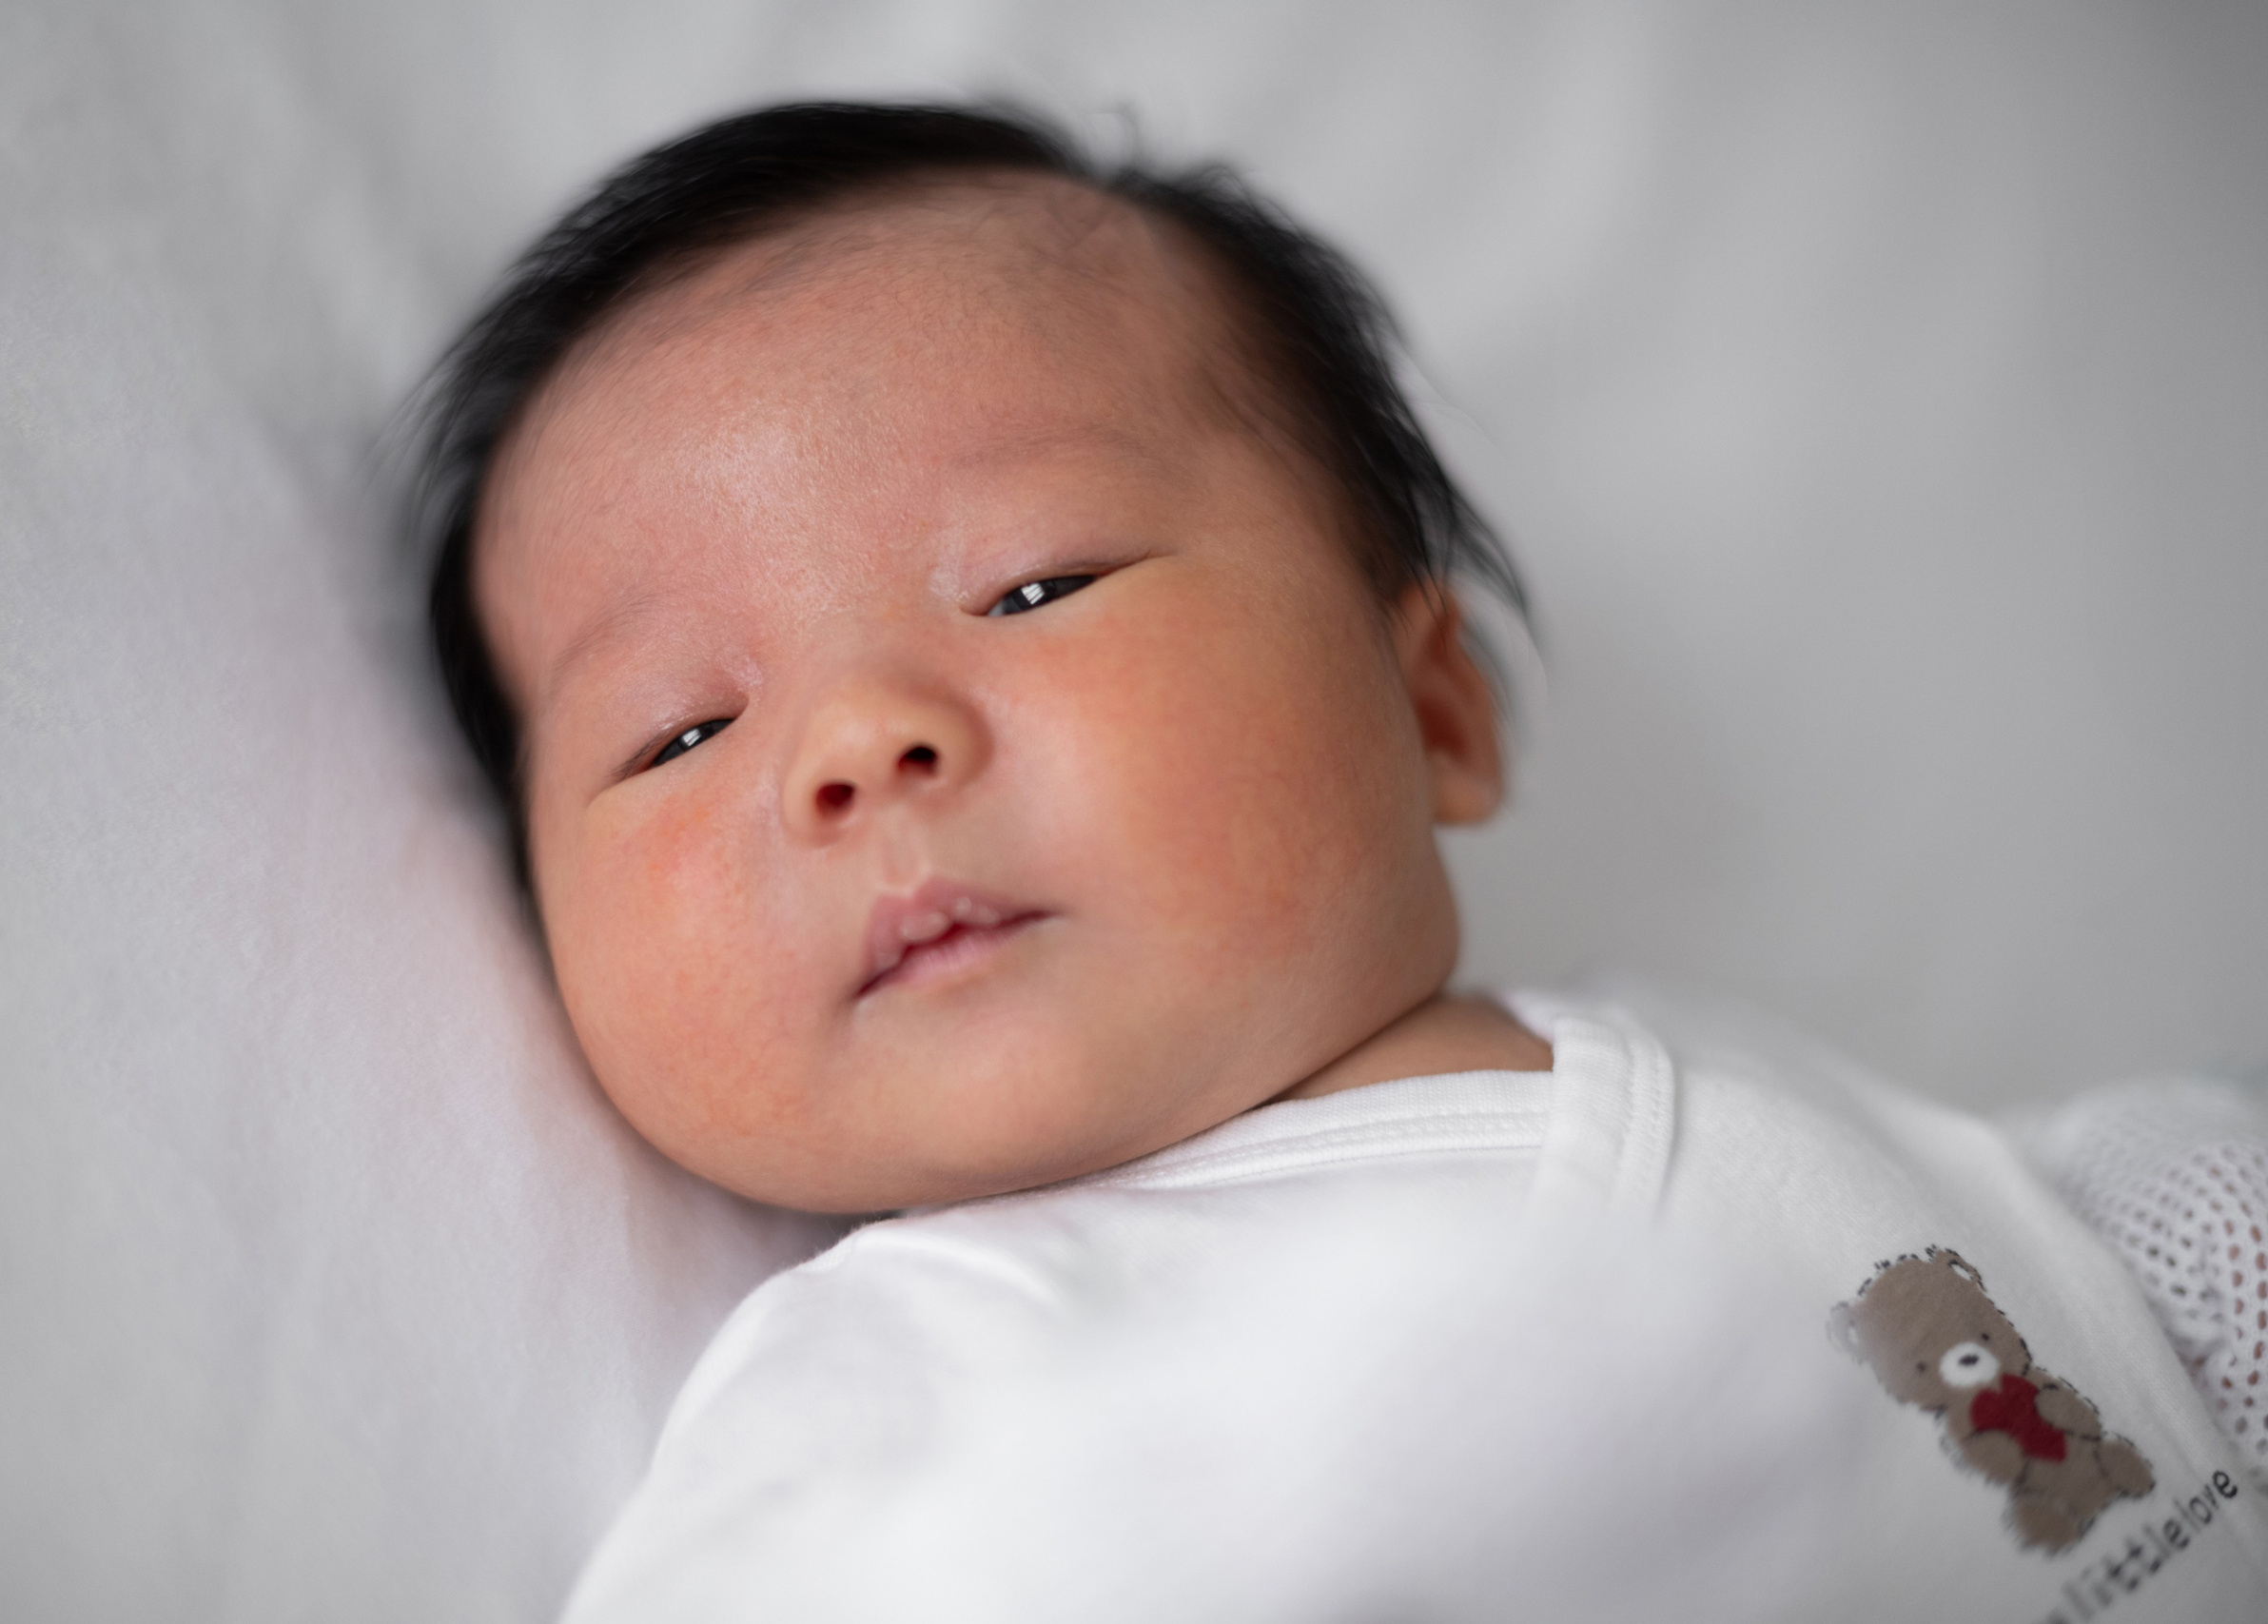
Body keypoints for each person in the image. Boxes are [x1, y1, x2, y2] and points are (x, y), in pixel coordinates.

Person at [409, 101, 2268, 1620]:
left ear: (1435, 712)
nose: (855, 743)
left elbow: (2061, 1251)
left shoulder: (1689, 1055)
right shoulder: (900, 1374)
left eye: (1031, 583)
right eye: (676, 729)